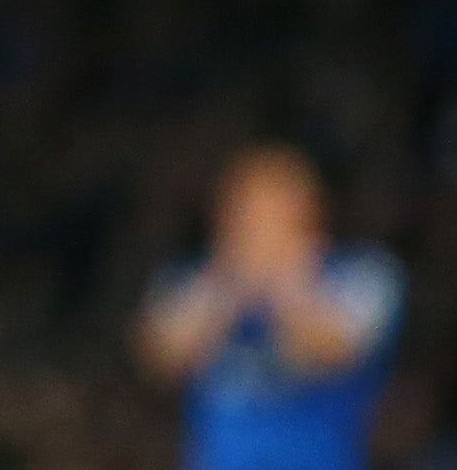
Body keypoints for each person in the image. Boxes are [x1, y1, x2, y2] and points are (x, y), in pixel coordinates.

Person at [140, 146, 404, 470]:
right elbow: (161, 356)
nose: (255, 227)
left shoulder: (362, 274)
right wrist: (229, 285)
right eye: (244, 212)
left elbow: (331, 349)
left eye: (271, 212)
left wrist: (283, 281)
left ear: (308, 214)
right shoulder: (193, 280)